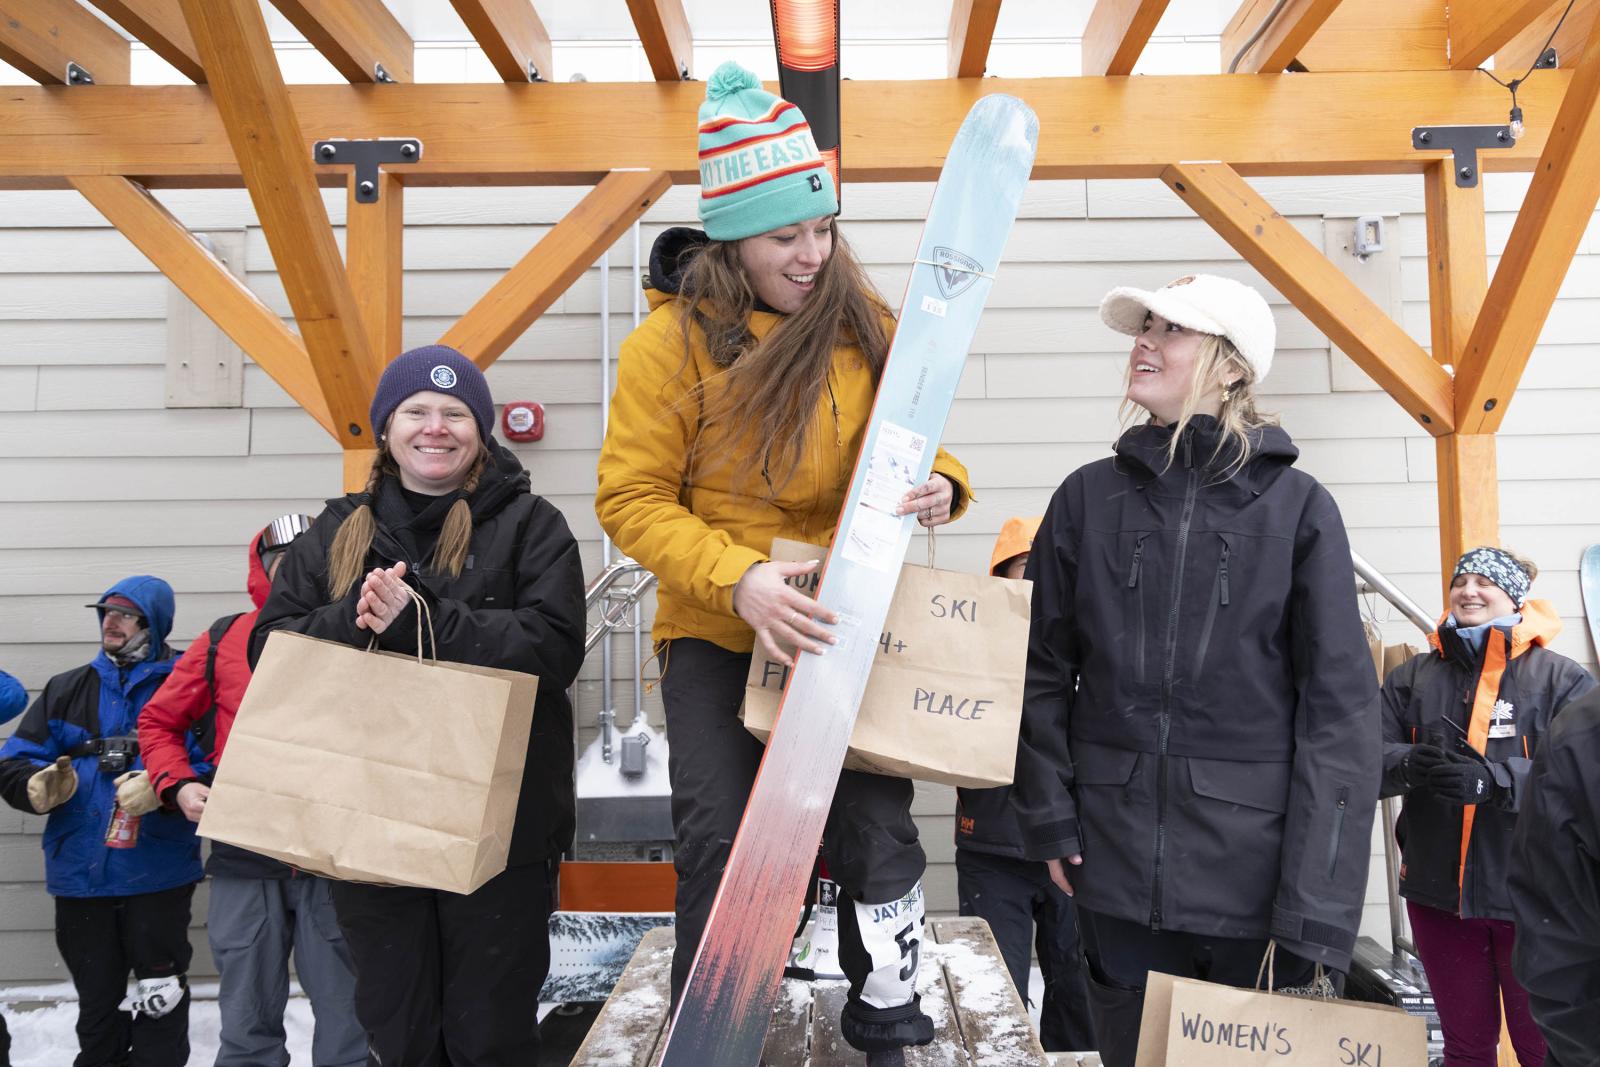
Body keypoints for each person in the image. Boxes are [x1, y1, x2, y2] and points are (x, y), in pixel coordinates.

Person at [595, 61, 974, 1056]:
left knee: (874, 828)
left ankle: (890, 1017)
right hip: (722, 625)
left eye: (821, 229)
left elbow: (915, 435)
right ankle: (710, 1023)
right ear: (731, 240)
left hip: (845, 620)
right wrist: (740, 577)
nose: (811, 253)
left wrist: (941, 482)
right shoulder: (665, 348)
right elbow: (628, 500)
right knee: (723, 835)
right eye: (784, 236)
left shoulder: (866, 327)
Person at [1011, 274, 1382, 1067]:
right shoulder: (1084, 500)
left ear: (1233, 366)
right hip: (1111, 870)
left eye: (1171, 329)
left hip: (1257, 885)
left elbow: (1341, 715)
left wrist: (1316, 904)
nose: (1144, 341)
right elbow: (1038, 673)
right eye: (1143, 326)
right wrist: (1048, 817)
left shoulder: (1298, 509)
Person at [250, 345, 587, 1066]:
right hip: (369, 817)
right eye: (417, 412)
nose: (436, 428)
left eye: (455, 413)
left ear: (481, 430)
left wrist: (426, 621)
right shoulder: (337, 530)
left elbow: (555, 648)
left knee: (490, 1031)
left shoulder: (534, 524)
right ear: (387, 427)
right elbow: (268, 650)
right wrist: (354, 618)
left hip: (502, 830)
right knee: (397, 1029)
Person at [138, 515, 366, 1067]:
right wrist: (178, 786)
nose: (294, 571)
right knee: (245, 1024)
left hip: (335, 857)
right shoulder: (223, 637)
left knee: (351, 1023)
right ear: (259, 568)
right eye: (280, 562)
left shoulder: (366, 631)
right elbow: (159, 722)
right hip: (244, 853)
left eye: (308, 558)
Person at [1381, 547, 1596, 1067]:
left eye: (1485, 582)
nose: (1468, 591)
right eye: (1460, 580)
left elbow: (1584, 778)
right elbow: (1360, 756)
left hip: (1536, 902)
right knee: (1466, 1048)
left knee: (1544, 1048)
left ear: (1514, 597)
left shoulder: (1562, 680)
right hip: (1439, 897)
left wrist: (1494, 780)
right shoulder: (1412, 677)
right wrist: (1410, 764)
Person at [0, 577, 202, 1067]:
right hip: (79, 878)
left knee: (161, 998)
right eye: (106, 612)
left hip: (157, 874)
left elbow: (216, 762)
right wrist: (34, 784)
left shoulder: (186, 684)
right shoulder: (67, 688)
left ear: (153, 625)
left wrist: (166, 787)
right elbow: (14, 760)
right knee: (96, 1003)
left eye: (125, 615)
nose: (111, 622)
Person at [956, 516, 1095, 1052]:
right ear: (1000, 578)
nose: (1040, 581)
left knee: (1079, 990)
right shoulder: (967, 649)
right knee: (995, 994)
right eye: (1025, 568)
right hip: (992, 847)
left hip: (1077, 850)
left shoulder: (1093, 646)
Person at [1509, 686, 1600, 1067]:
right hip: (1453, 889)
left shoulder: (1559, 677)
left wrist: (1500, 779)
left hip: (1515, 894)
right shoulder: (1581, 731)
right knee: (1468, 1038)